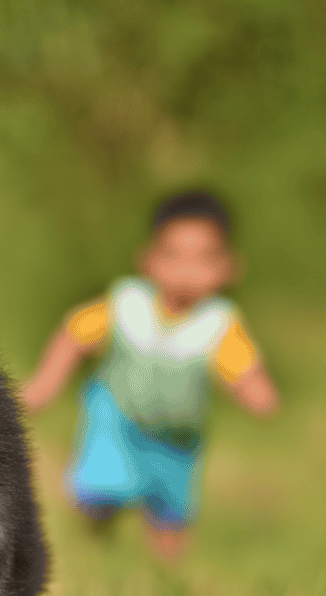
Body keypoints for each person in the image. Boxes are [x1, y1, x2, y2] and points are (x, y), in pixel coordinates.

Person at [21, 189, 280, 561]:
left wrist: (258, 393)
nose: (185, 271)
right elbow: (74, 336)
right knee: (101, 491)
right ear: (148, 259)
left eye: (202, 259)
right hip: (118, 418)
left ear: (229, 267)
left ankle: (167, 578)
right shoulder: (128, 304)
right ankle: (96, 519)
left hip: (177, 437)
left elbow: (243, 369)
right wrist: (44, 384)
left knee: (171, 517)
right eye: (173, 256)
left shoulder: (219, 325)